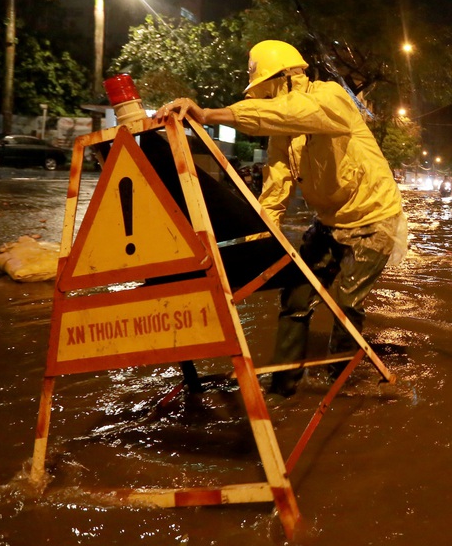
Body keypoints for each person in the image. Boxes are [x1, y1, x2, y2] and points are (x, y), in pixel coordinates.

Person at [156, 40, 407, 398]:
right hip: (329, 221)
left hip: (374, 217)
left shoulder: (332, 99)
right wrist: (258, 235)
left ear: (287, 78)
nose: (264, 101)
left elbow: (289, 111)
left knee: (347, 303)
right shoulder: (283, 130)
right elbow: (277, 185)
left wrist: (209, 114)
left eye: (267, 92)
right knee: (295, 297)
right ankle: (283, 384)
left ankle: (338, 381)